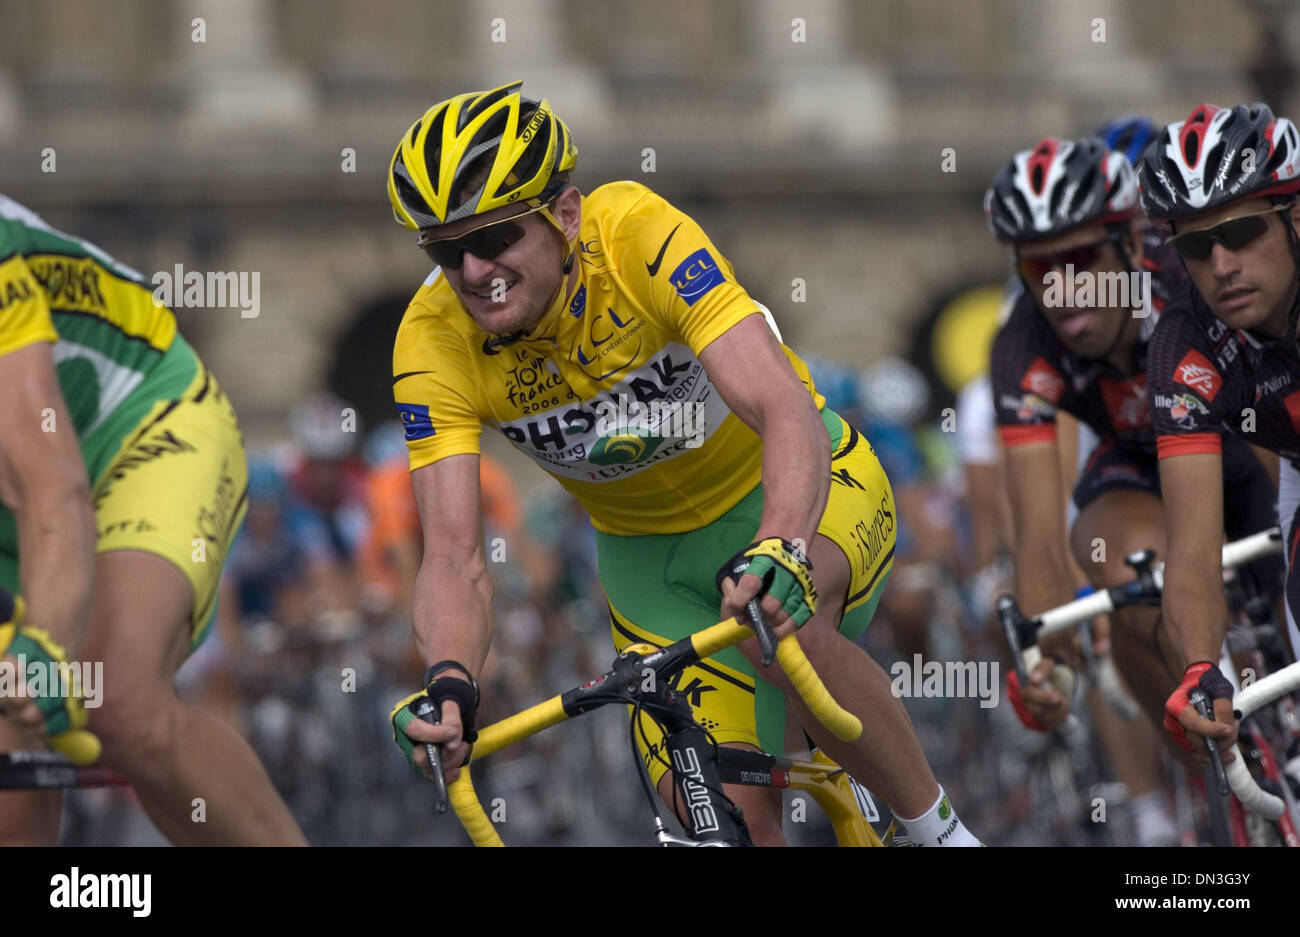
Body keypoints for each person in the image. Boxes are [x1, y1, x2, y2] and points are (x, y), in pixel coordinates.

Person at [386, 81, 980, 845]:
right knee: (720, 810)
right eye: (445, 250)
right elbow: (454, 557)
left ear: (564, 214)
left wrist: (782, 544)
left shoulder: (637, 233)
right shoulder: (431, 339)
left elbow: (779, 404)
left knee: (780, 628)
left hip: (797, 490)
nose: (472, 272)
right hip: (651, 570)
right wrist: (450, 682)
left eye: (496, 237)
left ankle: (942, 833)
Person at [0, 194, 305, 844]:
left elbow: (50, 482)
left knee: (111, 698)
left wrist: (46, 650)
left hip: (140, 424)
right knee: (9, 715)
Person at [983, 136, 1283, 744]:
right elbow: (1038, 538)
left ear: (1129, 244)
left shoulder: (1188, 278)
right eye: (1041, 269)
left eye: (1082, 260)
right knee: (1126, 573)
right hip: (1134, 468)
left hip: (1240, 441)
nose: (1064, 289)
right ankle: (1222, 774)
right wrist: (1052, 664)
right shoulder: (1021, 346)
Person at [1136, 102, 1300, 759]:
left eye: (1241, 232)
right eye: (1198, 246)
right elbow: (1196, 552)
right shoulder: (1185, 346)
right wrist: (1202, 666)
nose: (1223, 263)